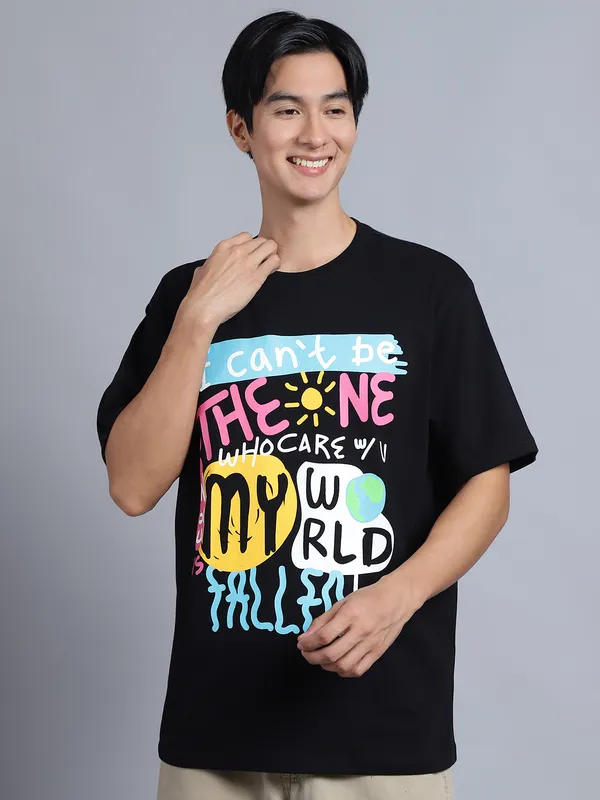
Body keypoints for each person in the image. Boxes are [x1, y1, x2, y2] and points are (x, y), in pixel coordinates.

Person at [96, 10, 538, 800]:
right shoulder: (187, 297)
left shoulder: (428, 288)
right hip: (216, 738)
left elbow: (488, 480)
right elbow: (131, 485)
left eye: (336, 108)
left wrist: (398, 596)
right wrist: (198, 320)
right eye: (286, 108)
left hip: (383, 735)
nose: (315, 133)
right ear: (241, 128)